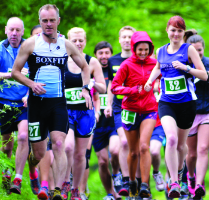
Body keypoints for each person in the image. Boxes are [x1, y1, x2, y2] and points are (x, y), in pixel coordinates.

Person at [11, 4, 92, 200]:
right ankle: (33, 168)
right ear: (40, 21)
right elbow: (15, 72)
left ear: (58, 21)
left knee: (58, 143)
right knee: (38, 153)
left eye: (52, 20)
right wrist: (31, 84)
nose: (48, 24)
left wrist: (85, 88)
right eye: (45, 20)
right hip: (37, 105)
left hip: (58, 104)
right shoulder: (30, 44)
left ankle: (57, 189)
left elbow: (85, 67)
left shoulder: (66, 45)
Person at [144, 15, 209, 198]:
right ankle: (173, 182)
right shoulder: (161, 51)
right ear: (167, 30)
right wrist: (150, 80)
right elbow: (158, 67)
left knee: (181, 145)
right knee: (171, 139)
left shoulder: (188, 49)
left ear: (183, 33)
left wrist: (185, 67)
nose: (176, 34)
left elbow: (203, 75)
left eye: (180, 31)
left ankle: (180, 173)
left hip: (187, 103)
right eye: (173, 30)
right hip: (166, 102)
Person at [0, 17, 40, 195]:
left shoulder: (31, 50)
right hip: (3, 103)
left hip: (24, 103)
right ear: (6, 30)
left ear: (23, 32)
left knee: (23, 136)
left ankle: (18, 179)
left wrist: (30, 93)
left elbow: (40, 76)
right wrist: (12, 75)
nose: (14, 34)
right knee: (7, 144)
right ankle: (6, 173)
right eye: (11, 30)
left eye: (18, 30)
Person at [111, 31, 158, 198]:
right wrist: (132, 90)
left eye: (146, 49)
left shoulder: (155, 64)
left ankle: (145, 185)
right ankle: (132, 182)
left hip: (149, 110)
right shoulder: (126, 65)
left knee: (144, 147)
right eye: (140, 50)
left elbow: (164, 78)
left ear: (150, 49)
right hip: (129, 110)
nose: (143, 53)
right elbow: (114, 87)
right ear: (134, 48)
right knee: (133, 152)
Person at [61, 27, 106, 200]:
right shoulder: (62, 60)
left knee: (81, 155)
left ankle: (76, 190)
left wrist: (91, 84)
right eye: (74, 40)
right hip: (66, 111)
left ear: (85, 41)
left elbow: (103, 88)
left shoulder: (92, 62)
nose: (78, 43)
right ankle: (65, 182)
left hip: (85, 113)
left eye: (81, 40)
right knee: (68, 147)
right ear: (68, 41)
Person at [184, 32, 209, 199]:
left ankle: (199, 184)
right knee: (191, 154)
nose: (198, 53)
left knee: (203, 148)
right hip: (191, 112)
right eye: (194, 50)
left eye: (200, 50)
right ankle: (190, 177)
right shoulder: (182, 64)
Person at [104, 25, 137, 196]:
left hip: (139, 108)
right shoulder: (112, 61)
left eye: (129, 37)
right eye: (123, 37)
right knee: (124, 142)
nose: (126, 40)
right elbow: (111, 85)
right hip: (120, 108)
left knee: (136, 148)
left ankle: (139, 184)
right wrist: (109, 104)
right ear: (119, 40)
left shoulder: (141, 59)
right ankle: (126, 180)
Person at [91, 41, 123, 200]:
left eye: (107, 53)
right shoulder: (90, 71)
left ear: (111, 55)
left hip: (114, 122)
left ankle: (117, 174)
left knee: (115, 151)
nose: (104, 56)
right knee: (103, 162)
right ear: (96, 55)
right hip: (97, 124)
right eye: (100, 53)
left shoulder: (117, 70)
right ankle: (111, 193)